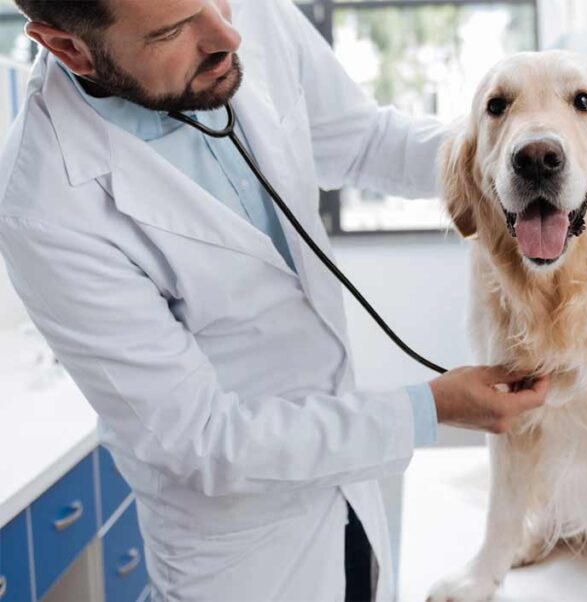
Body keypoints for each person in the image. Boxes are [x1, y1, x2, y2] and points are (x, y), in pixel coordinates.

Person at [0, 0, 549, 600]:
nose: (228, 34)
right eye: (173, 31)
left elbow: (364, 142)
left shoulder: (243, 16)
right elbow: (204, 438)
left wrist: (512, 164)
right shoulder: (45, 201)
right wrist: (429, 409)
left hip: (353, 491)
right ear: (69, 48)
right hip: (243, 551)